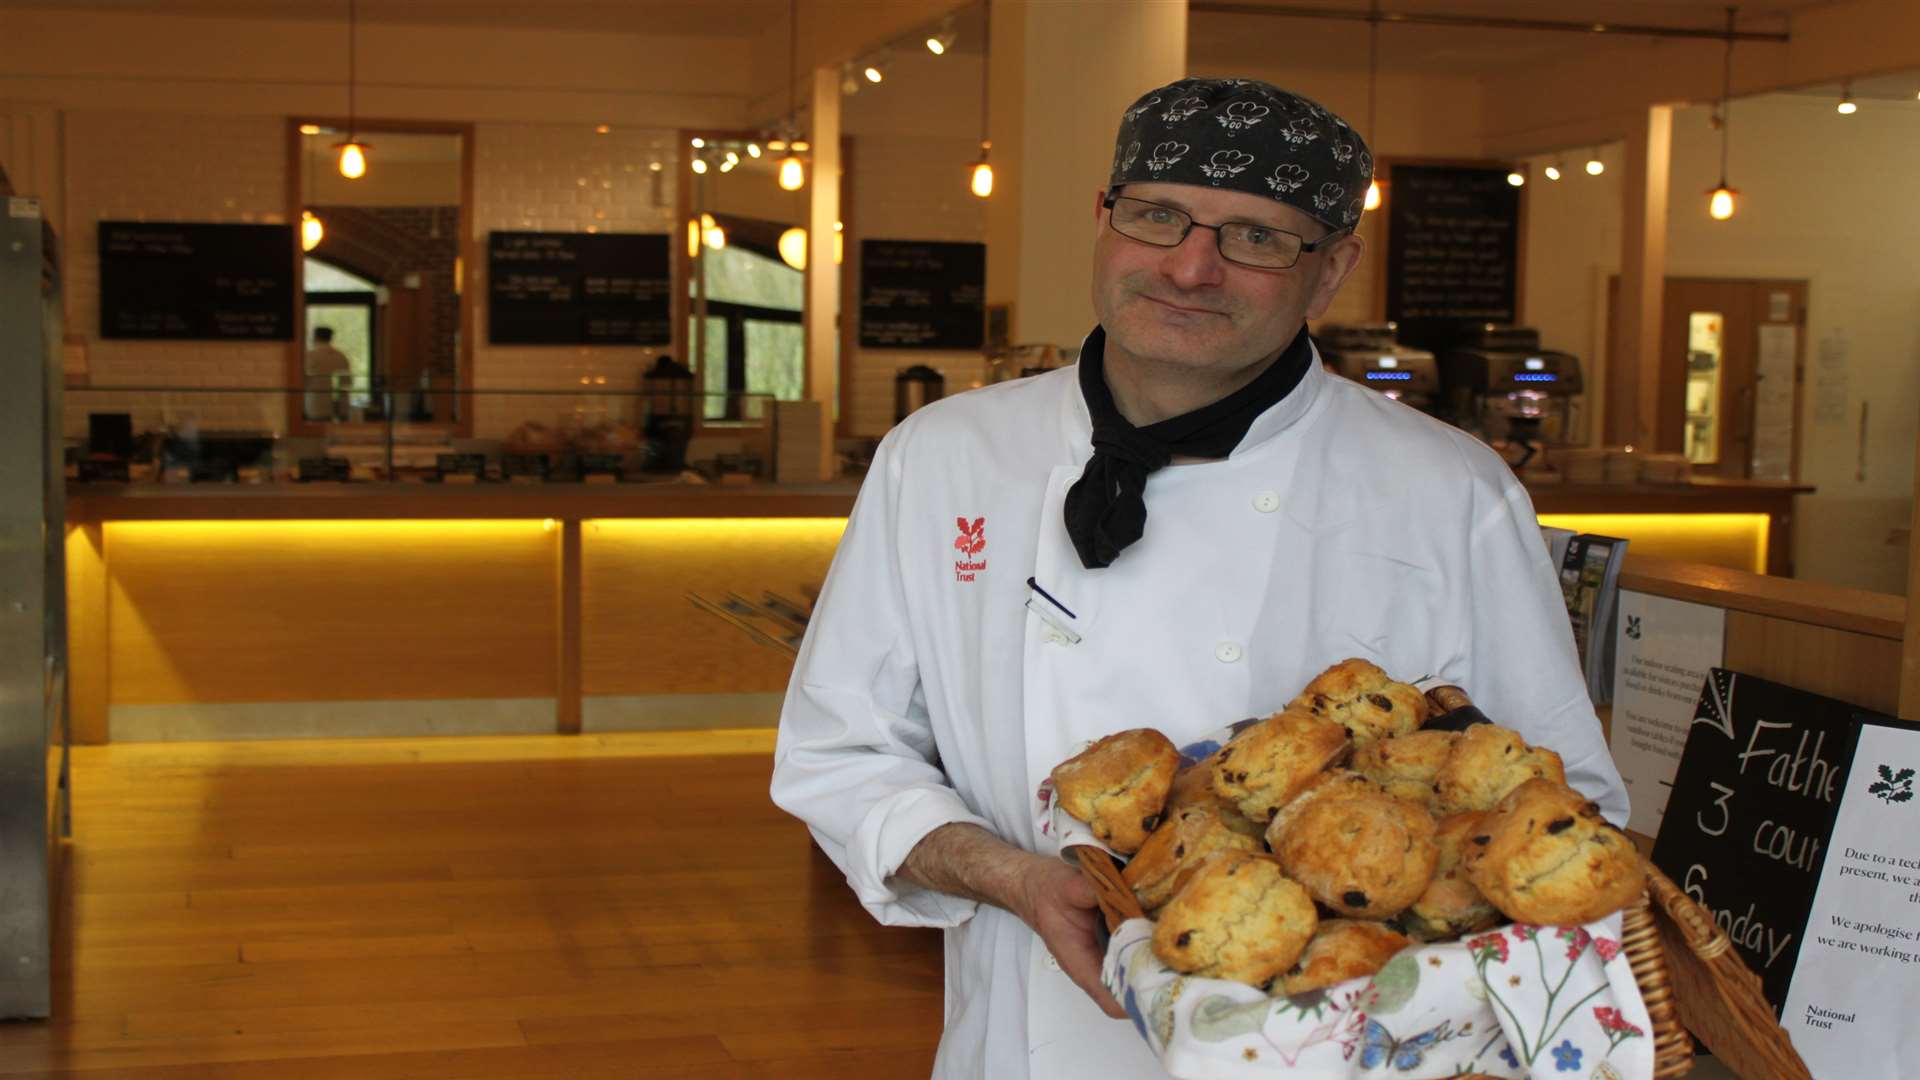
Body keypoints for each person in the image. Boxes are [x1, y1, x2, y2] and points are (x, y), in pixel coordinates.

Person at [771, 77, 1628, 1080]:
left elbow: (1558, 808)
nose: (1189, 267)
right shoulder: (945, 457)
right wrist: (1013, 878)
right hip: (1031, 1039)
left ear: (1332, 269)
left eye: (1255, 237)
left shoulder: (1449, 491)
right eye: (1157, 216)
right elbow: (840, 752)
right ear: (1104, 219)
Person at [303, 326, 352, 420]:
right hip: (338, 408)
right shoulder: (341, 356)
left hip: (314, 406)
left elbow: (303, 381)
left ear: (315, 337)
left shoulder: (309, 356)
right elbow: (347, 383)